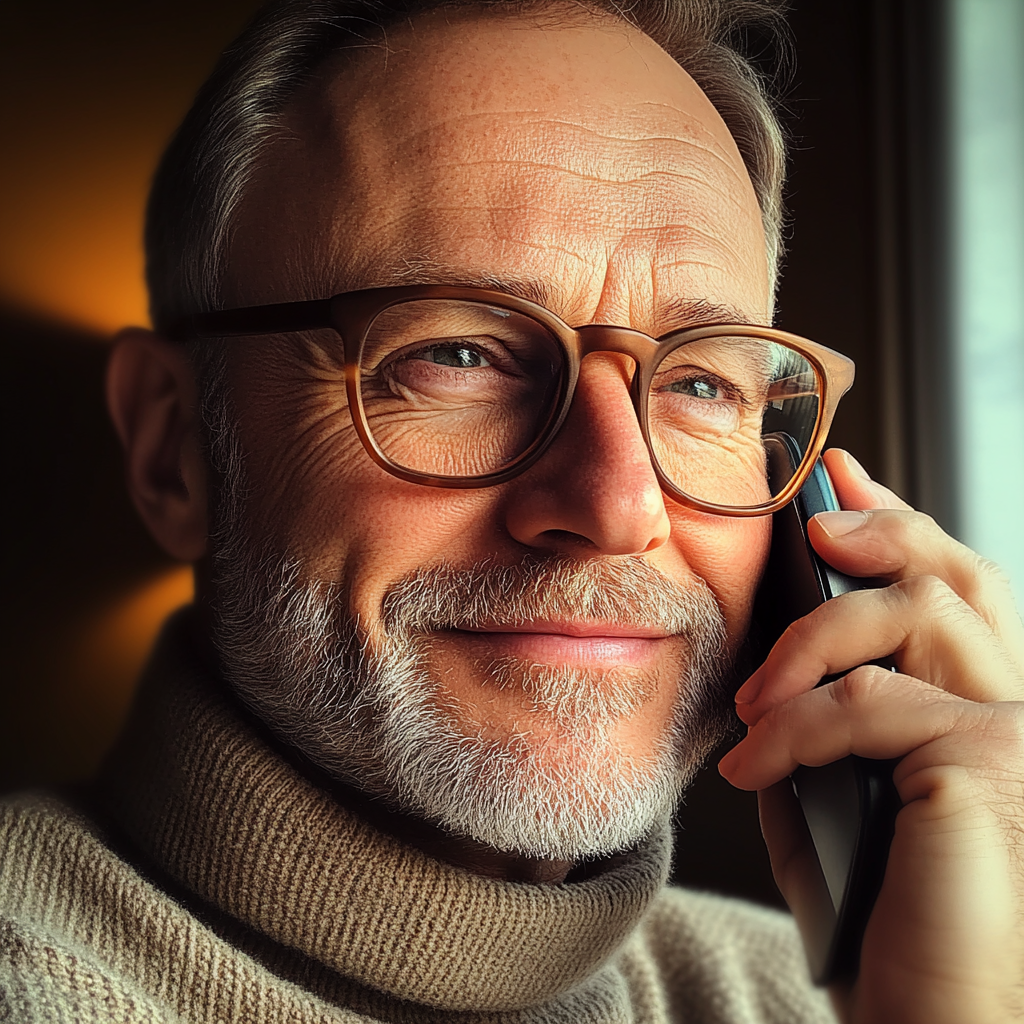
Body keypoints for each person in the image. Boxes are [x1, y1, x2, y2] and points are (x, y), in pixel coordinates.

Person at [2, 1, 1022, 1021]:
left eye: (701, 383)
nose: (617, 506)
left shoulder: (848, 996)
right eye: (458, 355)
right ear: (174, 447)